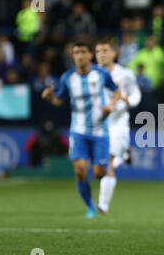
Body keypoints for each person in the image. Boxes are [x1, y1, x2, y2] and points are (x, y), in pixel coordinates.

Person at [41, 41, 121, 218]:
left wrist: (110, 106)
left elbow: (117, 91)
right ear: (73, 56)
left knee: (100, 173)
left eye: (83, 52)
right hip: (78, 131)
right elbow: (59, 100)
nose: (79, 55)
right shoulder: (67, 78)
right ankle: (91, 207)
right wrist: (49, 98)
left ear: (90, 55)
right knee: (80, 170)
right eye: (76, 52)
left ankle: (98, 190)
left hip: (100, 131)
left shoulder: (101, 74)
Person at [95, 38, 142, 215]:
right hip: (98, 124)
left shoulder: (125, 74)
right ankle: (124, 154)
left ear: (114, 53)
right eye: (98, 51)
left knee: (108, 163)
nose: (102, 54)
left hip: (117, 122)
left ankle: (103, 206)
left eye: (105, 50)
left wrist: (127, 100)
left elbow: (136, 94)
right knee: (98, 165)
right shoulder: (91, 75)